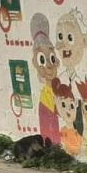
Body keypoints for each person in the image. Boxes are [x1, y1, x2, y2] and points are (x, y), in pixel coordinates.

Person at [30, 13, 60, 146]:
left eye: (51, 58)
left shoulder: (57, 89)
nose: (48, 65)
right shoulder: (45, 97)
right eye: (42, 59)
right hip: (47, 103)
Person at [52, 78, 83, 157]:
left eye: (71, 105)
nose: (68, 110)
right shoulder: (63, 130)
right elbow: (63, 144)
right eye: (63, 105)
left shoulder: (78, 131)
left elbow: (81, 145)